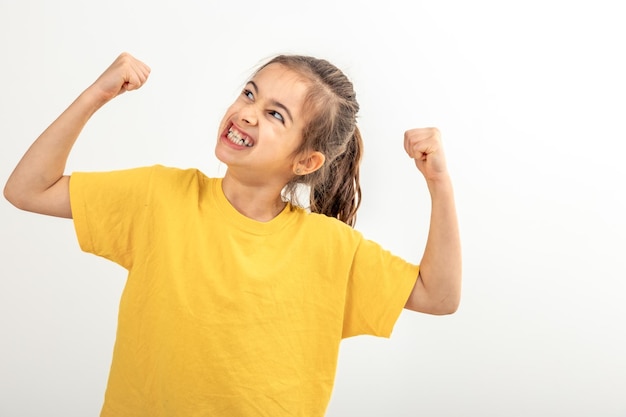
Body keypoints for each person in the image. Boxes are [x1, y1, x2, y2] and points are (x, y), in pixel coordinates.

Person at [4, 52, 462, 417]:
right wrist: (96, 94)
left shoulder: (330, 247)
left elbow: (439, 296)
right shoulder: (159, 196)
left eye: (276, 114)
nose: (247, 114)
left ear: (306, 162)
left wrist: (438, 183)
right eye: (249, 94)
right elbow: (27, 190)